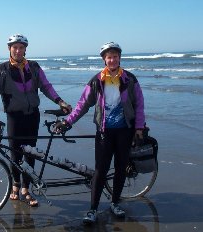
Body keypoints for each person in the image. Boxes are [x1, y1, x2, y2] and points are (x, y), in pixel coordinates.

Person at [55, 42, 145, 223]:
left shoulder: (130, 79)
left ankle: (115, 203)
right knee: (100, 171)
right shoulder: (97, 80)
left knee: (121, 169)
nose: (112, 60)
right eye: (109, 57)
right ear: (104, 59)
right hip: (104, 132)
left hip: (124, 131)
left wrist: (139, 128)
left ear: (119, 58)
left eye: (115, 56)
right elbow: (82, 105)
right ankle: (92, 210)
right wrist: (68, 121)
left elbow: (139, 105)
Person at [0, 34, 72, 207]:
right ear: (9, 49)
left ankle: (26, 188)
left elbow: (46, 86)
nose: (18, 50)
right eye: (14, 47)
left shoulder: (34, 67)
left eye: (21, 47)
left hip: (32, 116)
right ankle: (15, 185)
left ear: (25, 49)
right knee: (15, 153)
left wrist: (60, 101)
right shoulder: (1, 70)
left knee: (31, 153)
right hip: (14, 117)